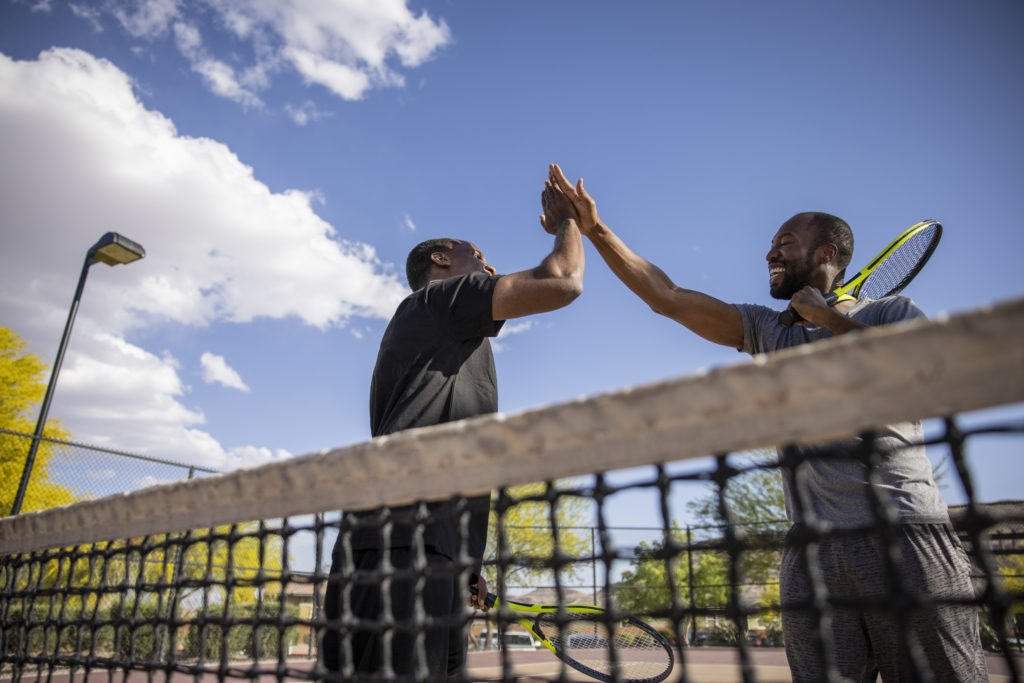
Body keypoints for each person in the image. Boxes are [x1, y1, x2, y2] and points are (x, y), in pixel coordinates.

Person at [546, 165, 986, 682]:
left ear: (827, 255)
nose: (770, 253)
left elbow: (925, 376)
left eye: (786, 242)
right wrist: (595, 229)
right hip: (812, 552)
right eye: (772, 245)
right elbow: (666, 296)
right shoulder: (765, 329)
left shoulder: (892, 312)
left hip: (904, 535)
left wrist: (829, 320)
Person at [320, 166, 585, 682]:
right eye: (477, 255)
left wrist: (463, 564)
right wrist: (567, 225)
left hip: (435, 552)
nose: (488, 263)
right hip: (396, 543)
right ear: (442, 259)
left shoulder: (462, 343)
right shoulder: (436, 302)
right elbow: (563, 280)